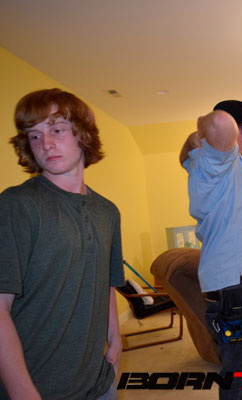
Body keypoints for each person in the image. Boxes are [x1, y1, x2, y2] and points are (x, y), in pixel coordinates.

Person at [0, 88, 124, 399]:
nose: (46, 143)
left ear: (83, 134)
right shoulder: (17, 205)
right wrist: (22, 392)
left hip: (99, 383)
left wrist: (116, 337)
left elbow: (105, 282)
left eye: (56, 130)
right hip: (39, 387)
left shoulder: (108, 212)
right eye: (34, 136)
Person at [179, 100, 242, 399]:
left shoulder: (224, 164)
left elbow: (184, 155)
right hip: (237, 292)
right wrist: (201, 128)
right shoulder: (216, 161)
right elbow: (219, 123)